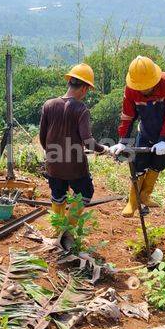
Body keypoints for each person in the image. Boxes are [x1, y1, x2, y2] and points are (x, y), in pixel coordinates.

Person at [108, 56, 165, 217]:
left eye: (147, 86)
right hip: (147, 130)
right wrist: (123, 141)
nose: (143, 90)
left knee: (159, 163)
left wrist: (163, 139)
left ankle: (145, 195)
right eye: (140, 87)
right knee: (139, 164)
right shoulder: (130, 89)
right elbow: (128, 116)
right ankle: (132, 202)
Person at [39, 63, 108, 222]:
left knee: (58, 196)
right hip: (75, 167)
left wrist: (52, 154)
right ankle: (68, 230)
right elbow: (88, 142)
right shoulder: (81, 109)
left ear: (69, 81)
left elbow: (42, 138)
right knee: (85, 193)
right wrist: (103, 149)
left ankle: (58, 231)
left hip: (53, 164)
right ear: (84, 88)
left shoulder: (48, 105)